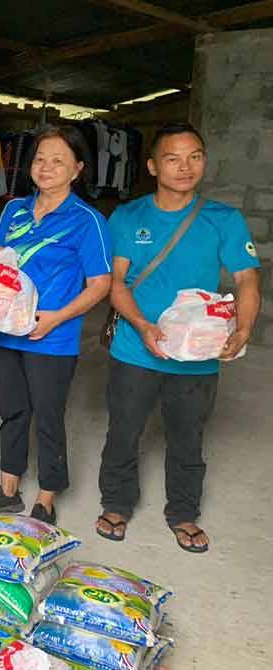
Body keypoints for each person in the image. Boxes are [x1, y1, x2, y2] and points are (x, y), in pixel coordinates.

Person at [96, 123, 261, 553]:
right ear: (152, 166)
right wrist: (144, 326)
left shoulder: (223, 219)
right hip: (136, 346)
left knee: (188, 435)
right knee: (123, 430)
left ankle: (183, 512)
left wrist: (242, 329)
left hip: (198, 354)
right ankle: (116, 503)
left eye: (195, 157)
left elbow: (246, 280)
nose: (185, 167)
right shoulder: (129, 216)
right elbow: (116, 283)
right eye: (173, 158)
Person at [0, 125, 113, 525]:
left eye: (58, 161)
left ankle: (46, 498)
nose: (46, 168)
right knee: (12, 412)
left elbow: (100, 284)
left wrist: (56, 318)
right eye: (39, 159)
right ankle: (7, 490)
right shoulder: (14, 209)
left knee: (48, 417)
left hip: (52, 336)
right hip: (7, 330)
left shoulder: (88, 220)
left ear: (77, 169)